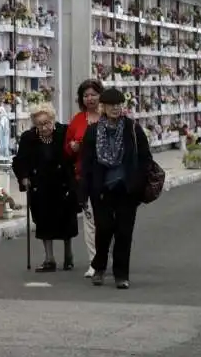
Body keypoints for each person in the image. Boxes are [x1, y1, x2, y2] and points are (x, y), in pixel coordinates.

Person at [79, 88, 152, 289]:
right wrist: (83, 192)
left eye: (119, 104)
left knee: (123, 232)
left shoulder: (132, 129)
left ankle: (121, 275)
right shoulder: (93, 131)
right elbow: (86, 163)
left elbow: (145, 158)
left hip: (127, 190)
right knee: (104, 229)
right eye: (111, 105)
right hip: (101, 190)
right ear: (103, 107)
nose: (116, 108)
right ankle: (99, 266)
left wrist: (138, 183)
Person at [13, 102, 79, 272]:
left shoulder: (64, 132)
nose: (43, 128)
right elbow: (20, 161)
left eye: (47, 123)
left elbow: (74, 156)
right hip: (40, 184)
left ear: (53, 120)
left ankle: (68, 254)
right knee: (43, 221)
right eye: (39, 124)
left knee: (66, 220)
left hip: (62, 183)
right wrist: (24, 177)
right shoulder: (29, 138)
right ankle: (49, 258)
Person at [64, 79, 103, 278]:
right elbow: (67, 147)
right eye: (85, 95)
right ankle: (94, 261)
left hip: (107, 176)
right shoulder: (78, 120)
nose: (89, 98)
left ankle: (108, 257)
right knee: (90, 221)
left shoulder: (110, 116)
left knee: (107, 220)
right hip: (85, 177)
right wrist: (72, 148)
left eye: (93, 94)